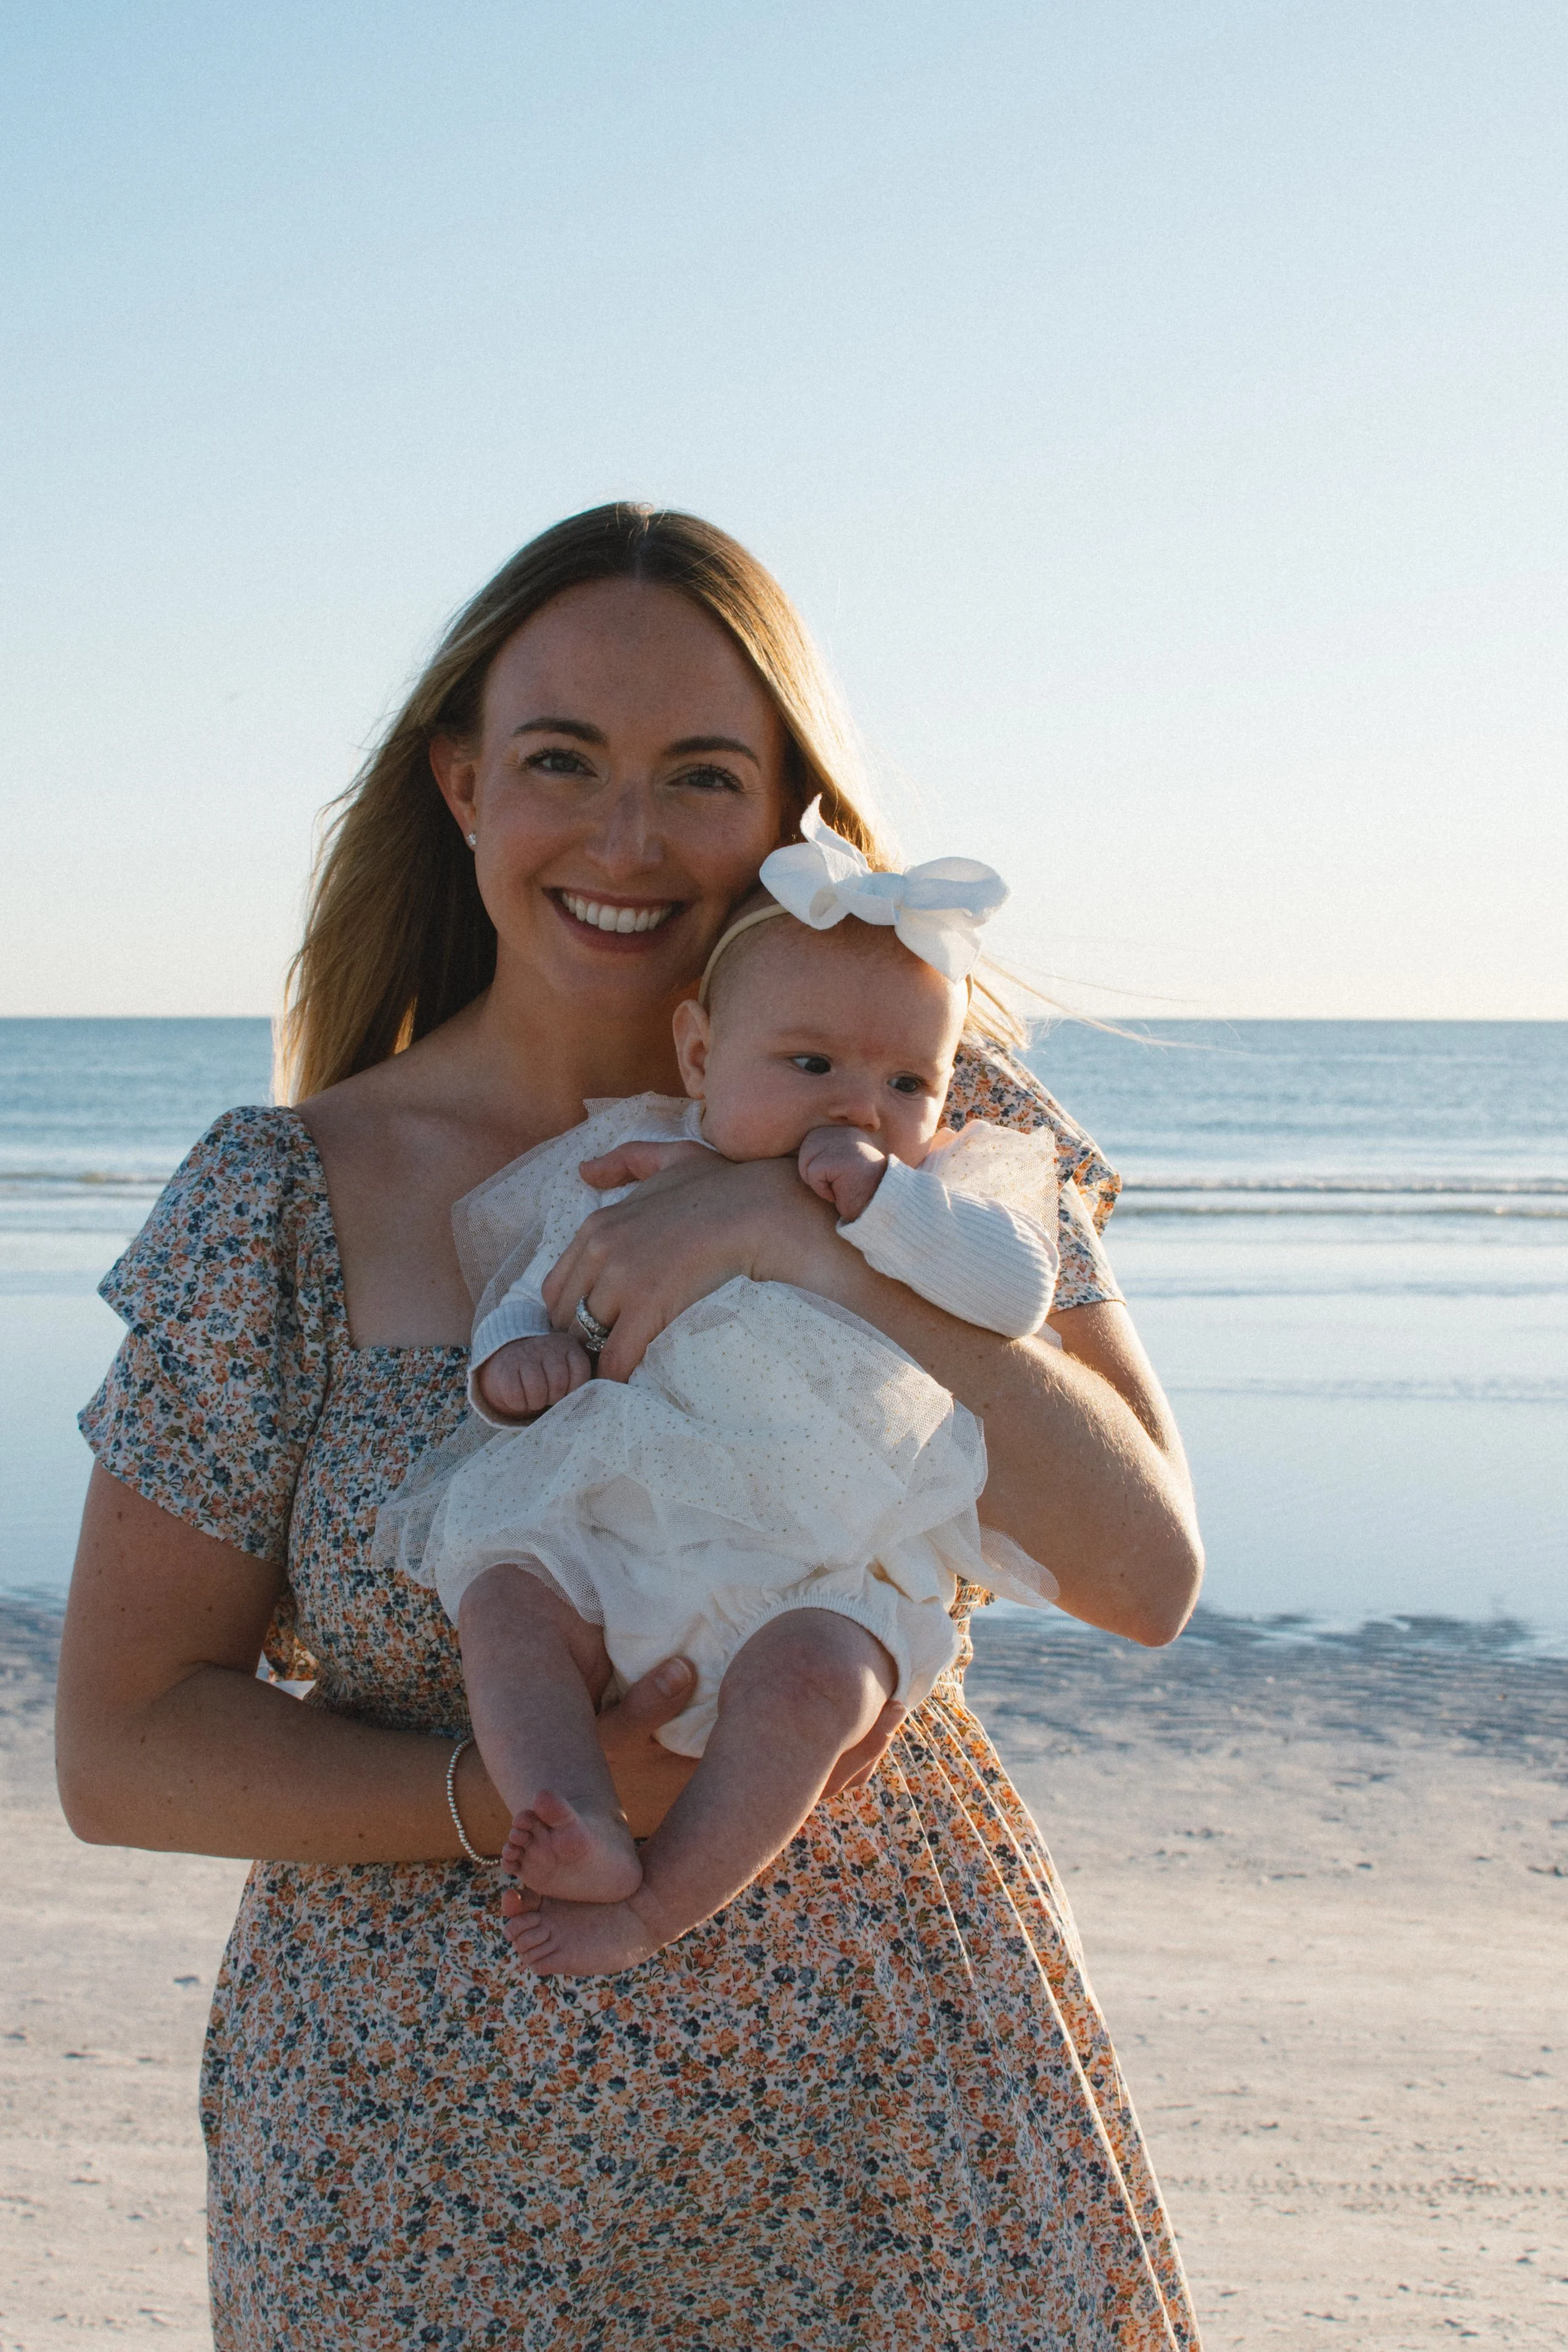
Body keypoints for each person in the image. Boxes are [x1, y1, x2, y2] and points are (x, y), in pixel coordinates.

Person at [55, 502, 1206, 2349]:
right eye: (561, 762)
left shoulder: (929, 1124)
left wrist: (793, 1239)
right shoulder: (275, 1201)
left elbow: (1144, 1572)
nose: (626, 836)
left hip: (896, 2121)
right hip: (414, 2171)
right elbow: (119, 1751)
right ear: (460, 784)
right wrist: (498, 1792)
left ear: (787, 815)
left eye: (700, 774)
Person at [388, 814, 1066, 1976]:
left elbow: (1017, 1293)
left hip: (822, 1575)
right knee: (506, 1597)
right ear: (700, 1057)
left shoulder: (936, 1201)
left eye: (907, 1080)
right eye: (811, 1065)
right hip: (627, 1543)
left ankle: (661, 1905)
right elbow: (541, 1279)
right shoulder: (634, 1165)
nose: (858, 1105)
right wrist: (512, 1367)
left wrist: (871, 1216)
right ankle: (579, 1814)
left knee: (812, 1689)